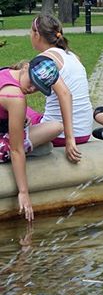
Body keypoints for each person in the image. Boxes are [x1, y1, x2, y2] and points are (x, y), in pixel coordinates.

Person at [0, 56, 65, 220]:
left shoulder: (5, 72)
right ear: (25, 67)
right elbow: (16, 149)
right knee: (54, 129)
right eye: (32, 82)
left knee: (48, 140)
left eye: (38, 88)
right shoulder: (16, 98)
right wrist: (23, 192)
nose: (31, 89)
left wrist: (19, 118)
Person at [28, 14, 91, 162]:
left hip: (62, 135)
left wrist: (70, 139)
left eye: (31, 32)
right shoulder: (73, 56)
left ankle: (31, 146)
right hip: (85, 131)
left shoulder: (44, 60)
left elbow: (65, 94)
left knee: (17, 109)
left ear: (37, 34)